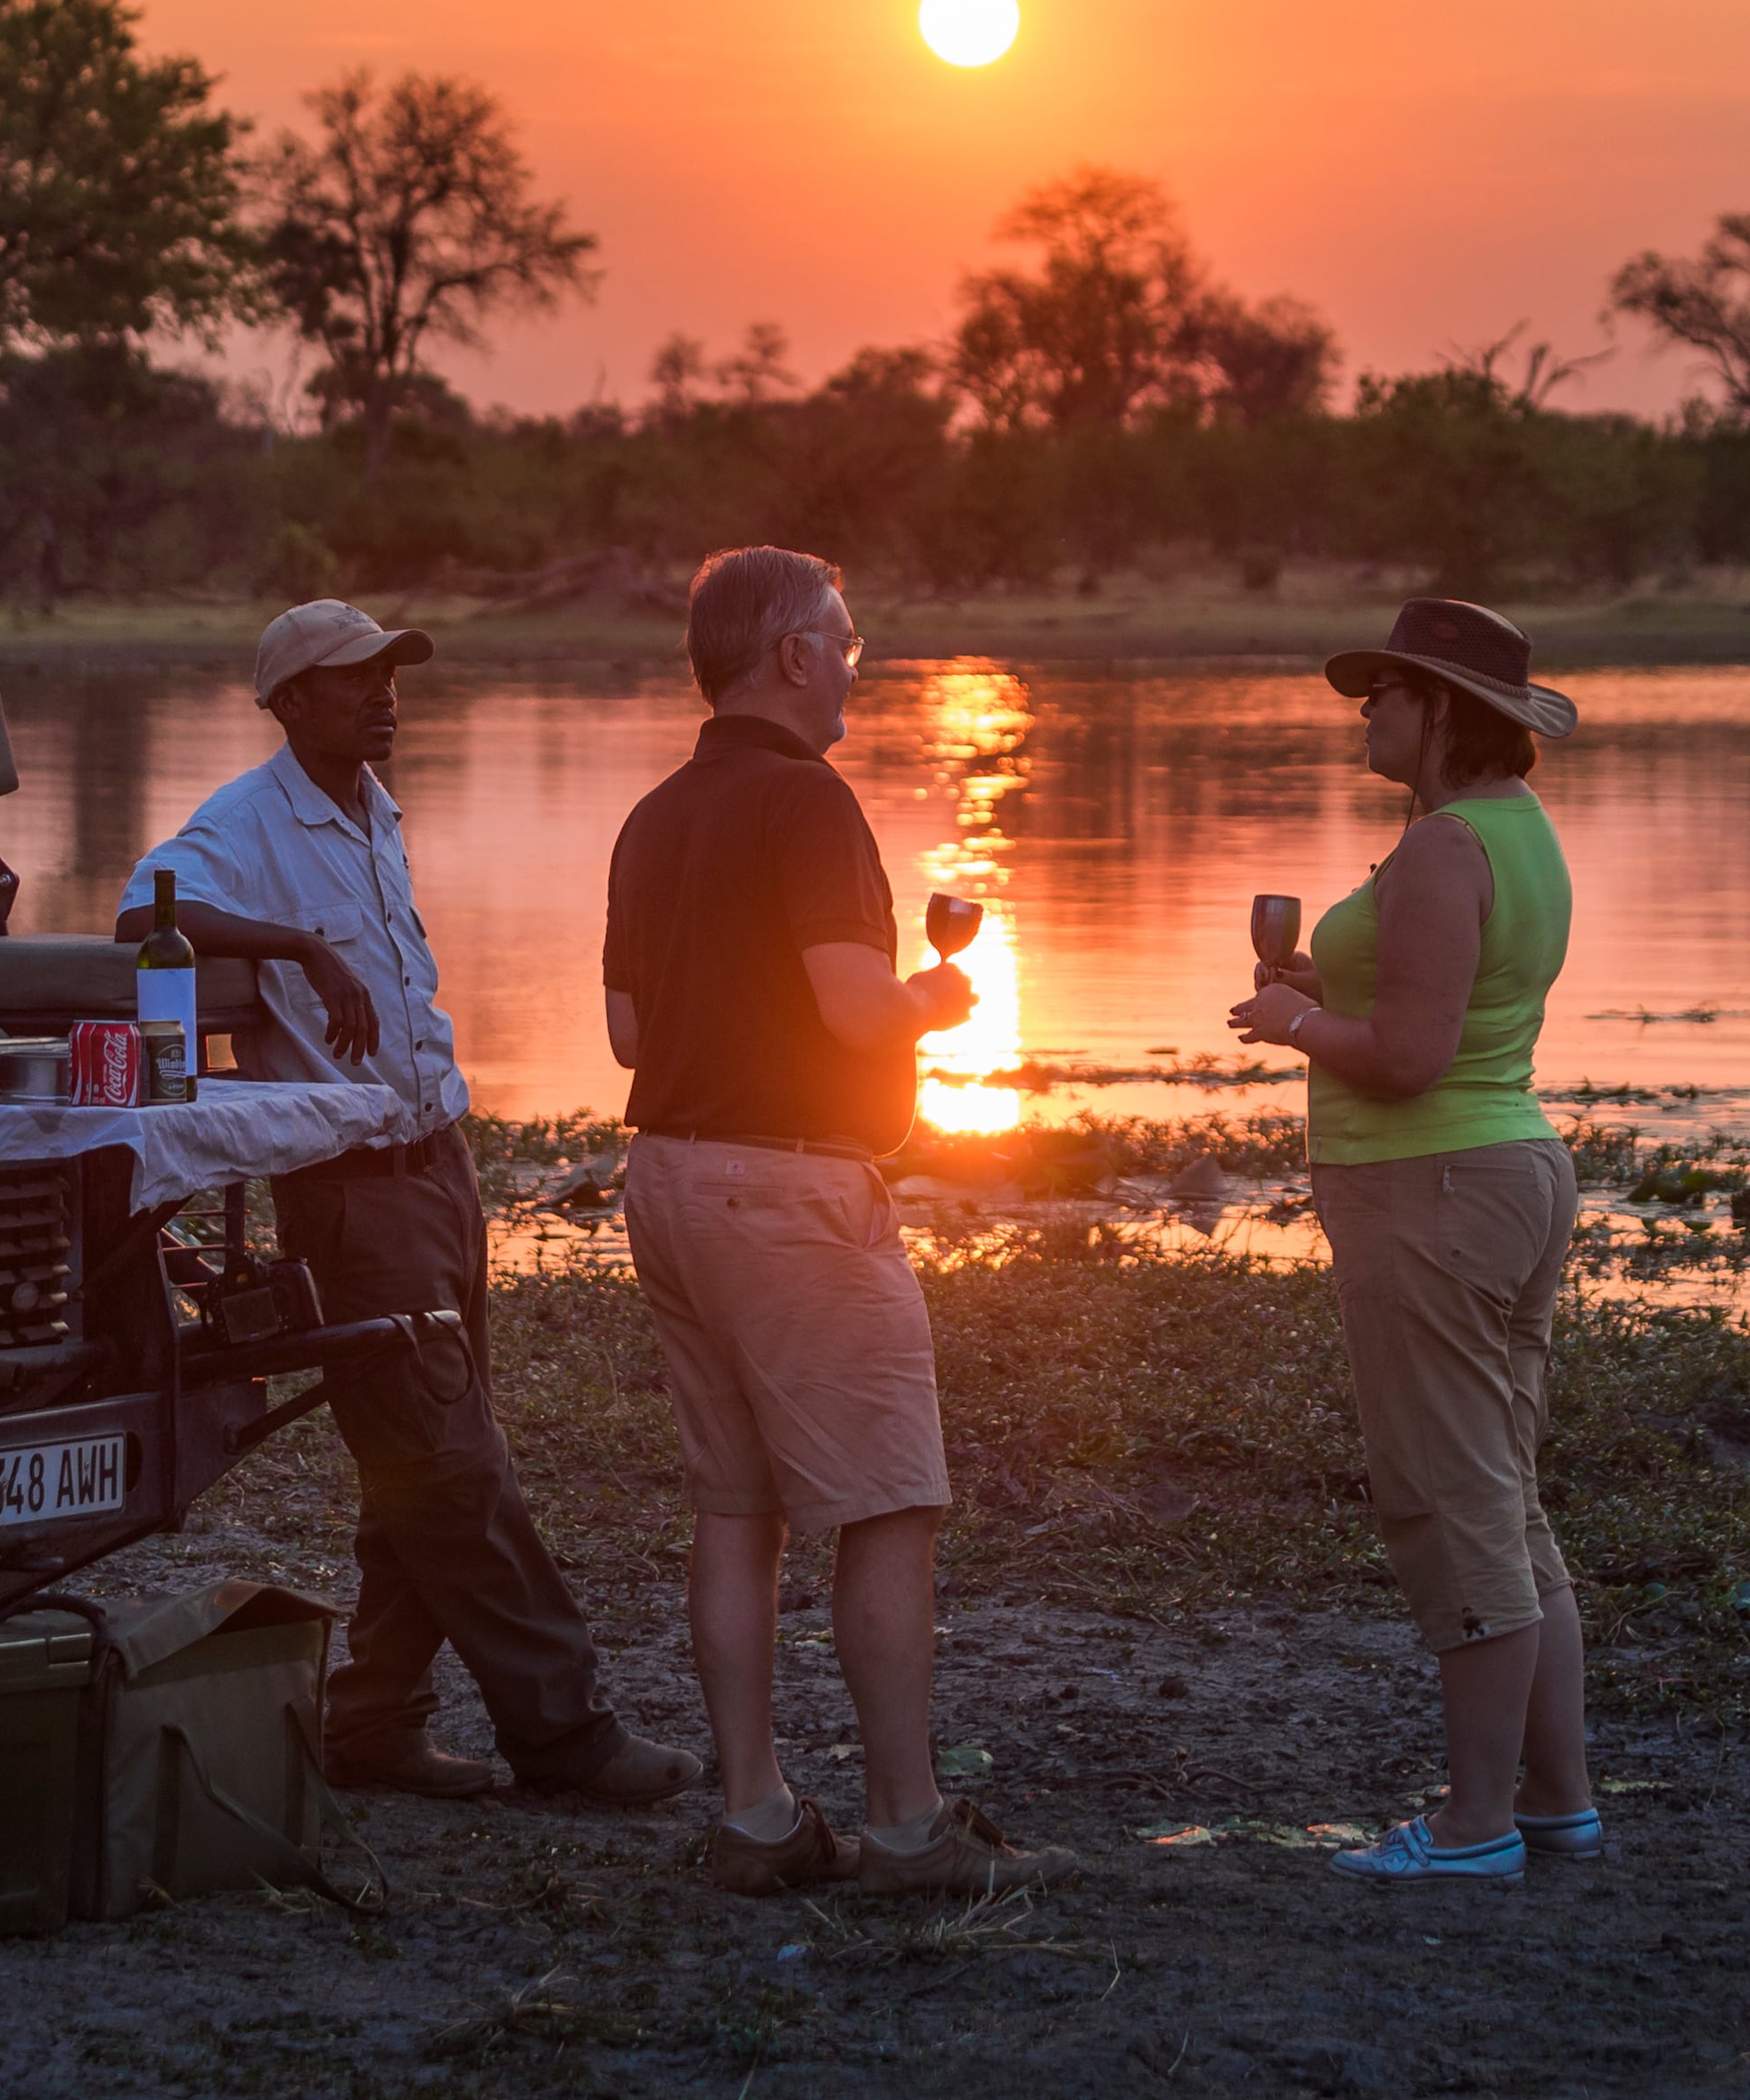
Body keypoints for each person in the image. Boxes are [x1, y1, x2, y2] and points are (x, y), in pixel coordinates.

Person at [123, 598, 699, 1808]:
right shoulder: (246, 819)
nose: (384, 694)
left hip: (436, 1162)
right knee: (450, 1465)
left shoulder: (374, 806)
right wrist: (298, 948)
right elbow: (143, 910)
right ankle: (568, 1735)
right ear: (289, 702)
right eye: (353, 678)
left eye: (390, 672)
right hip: (351, 1191)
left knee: (420, 1460)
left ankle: (375, 1720)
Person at [603, 545, 1082, 1899]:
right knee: (888, 1506)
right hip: (790, 1194)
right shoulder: (809, 802)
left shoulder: (652, 815)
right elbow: (854, 1009)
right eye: (848, 642)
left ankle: (756, 1812)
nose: (858, 666)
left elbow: (630, 1029)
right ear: (794, 655)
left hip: (672, 1183)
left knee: (736, 1507)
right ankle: (909, 1823)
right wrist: (934, 996)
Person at [1228, 597, 1595, 1883]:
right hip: (1502, 1168)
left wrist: (1291, 1026)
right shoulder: (1515, 832)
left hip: (1435, 1185)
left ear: (1442, 706)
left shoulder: (1443, 846)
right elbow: (1454, 1007)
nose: (1365, 709)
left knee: (1453, 1499)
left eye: (1384, 689)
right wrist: (1337, 997)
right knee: (1504, 1491)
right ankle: (1554, 1796)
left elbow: (1407, 1059)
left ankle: (1474, 1821)